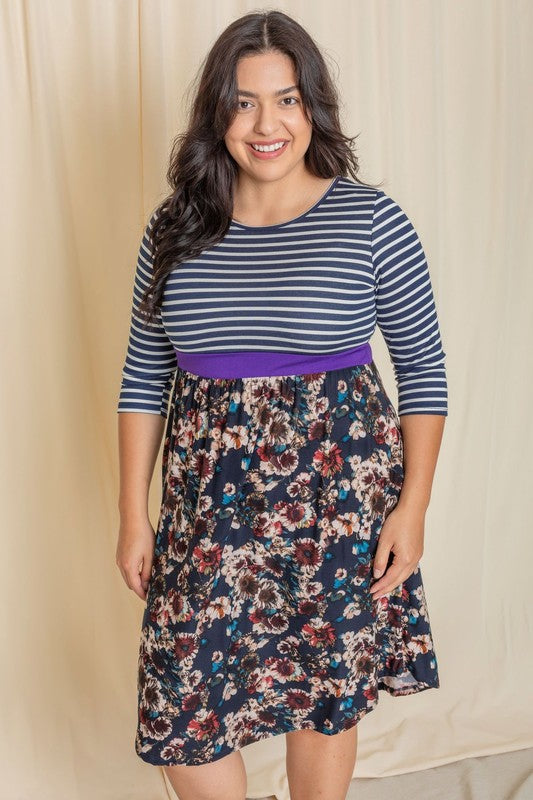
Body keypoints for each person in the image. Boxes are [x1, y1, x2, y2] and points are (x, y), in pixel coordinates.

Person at [116, 10, 448, 800]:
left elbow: (423, 372)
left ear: (313, 109)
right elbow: (141, 377)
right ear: (216, 114)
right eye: (243, 102)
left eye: (287, 100)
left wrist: (412, 509)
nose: (267, 123)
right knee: (181, 711)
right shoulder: (173, 229)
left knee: (323, 699)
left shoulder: (371, 221)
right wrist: (134, 513)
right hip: (207, 513)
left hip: (337, 506)